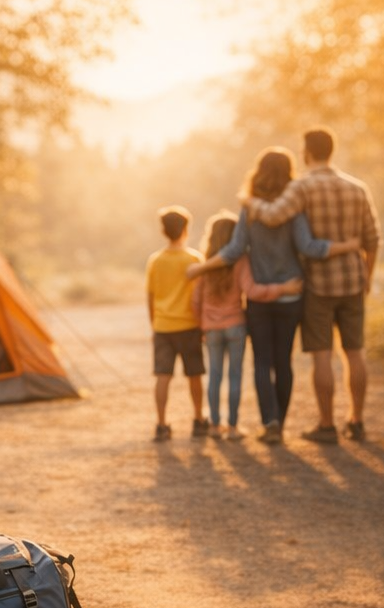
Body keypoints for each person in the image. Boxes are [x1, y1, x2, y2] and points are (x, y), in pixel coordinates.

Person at [187, 147, 361, 444]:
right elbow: (308, 247)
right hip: (291, 296)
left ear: (259, 172)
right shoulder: (294, 210)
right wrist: (347, 246)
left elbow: (234, 250)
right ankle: (279, 422)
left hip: (258, 299)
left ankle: (269, 422)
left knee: (262, 362)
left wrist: (202, 267)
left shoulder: (250, 210)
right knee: (283, 362)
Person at [244, 127, 381, 443]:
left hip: (318, 285)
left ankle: (327, 425)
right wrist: (367, 277)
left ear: (307, 152)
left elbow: (273, 216)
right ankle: (357, 421)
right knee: (355, 351)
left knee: (322, 354)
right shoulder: (357, 188)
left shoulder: (302, 187)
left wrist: (248, 202)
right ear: (331, 150)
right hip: (353, 281)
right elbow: (372, 240)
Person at [191, 210, 305, 441]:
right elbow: (252, 291)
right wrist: (283, 289)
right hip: (236, 326)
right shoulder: (241, 261)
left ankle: (214, 426)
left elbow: (195, 300)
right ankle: (233, 427)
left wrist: (201, 325)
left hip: (211, 329)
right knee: (235, 377)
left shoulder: (206, 264)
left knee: (214, 377)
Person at [145, 205, 207, 442]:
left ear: (163, 231)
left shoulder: (155, 260)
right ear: (185, 230)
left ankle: (161, 424)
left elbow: (150, 296)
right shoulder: (194, 259)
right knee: (194, 375)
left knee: (163, 376)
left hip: (163, 326)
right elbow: (201, 295)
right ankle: (199, 420)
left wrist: (154, 325)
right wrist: (202, 324)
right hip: (189, 325)